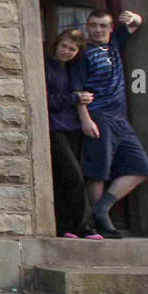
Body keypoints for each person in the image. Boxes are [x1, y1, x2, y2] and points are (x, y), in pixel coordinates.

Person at [71, 9, 148, 238]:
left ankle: (101, 208)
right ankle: (99, 223)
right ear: (88, 26)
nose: (98, 30)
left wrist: (133, 16)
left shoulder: (115, 43)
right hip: (98, 116)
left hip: (120, 119)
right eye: (94, 25)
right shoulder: (83, 53)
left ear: (110, 28)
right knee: (98, 171)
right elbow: (78, 90)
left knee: (140, 168)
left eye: (103, 26)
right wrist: (85, 119)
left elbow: (137, 23)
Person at [45, 28, 102, 240]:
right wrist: (74, 98)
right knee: (72, 175)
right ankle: (85, 227)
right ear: (56, 44)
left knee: (67, 178)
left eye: (72, 49)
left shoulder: (73, 69)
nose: (67, 51)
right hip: (54, 128)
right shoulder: (47, 66)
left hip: (73, 128)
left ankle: (67, 227)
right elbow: (46, 99)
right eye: (64, 46)